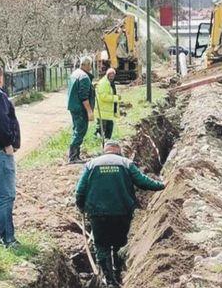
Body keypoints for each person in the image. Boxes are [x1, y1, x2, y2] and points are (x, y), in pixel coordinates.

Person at [75, 141, 165, 287]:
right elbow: (143, 182)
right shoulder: (126, 163)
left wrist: (81, 205)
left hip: (98, 213)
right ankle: (117, 273)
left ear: (105, 151)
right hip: (122, 212)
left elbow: (80, 190)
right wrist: (161, 185)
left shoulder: (91, 164)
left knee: (101, 245)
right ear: (119, 152)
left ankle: (109, 279)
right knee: (119, 244)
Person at [0, 64, 20, 247]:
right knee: (4, 196)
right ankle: (7, 239)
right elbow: (0, 121)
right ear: (0, 77)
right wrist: (7, 143)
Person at [67, 56, 95, 163]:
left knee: (76, 130)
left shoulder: (75, 74)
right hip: (80, 109)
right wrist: (89, 111)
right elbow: (84, 97)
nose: (91, 68)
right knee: (80, 131)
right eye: (90, 65)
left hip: (73, 106)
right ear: (85, 65)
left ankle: (76, 155)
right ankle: (73, 157)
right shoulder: (84, 77)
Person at [95, 68, 120, 140]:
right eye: (111, 76)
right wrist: (115, 98)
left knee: (109, 126)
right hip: (103, 110)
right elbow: (103, 97)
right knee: (101, 127)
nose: (112, 77)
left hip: (107, 111)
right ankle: (99, 140)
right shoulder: (104, 83)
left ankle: (107, 140)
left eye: (113, 76)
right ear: (107, 75)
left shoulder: (110, 83)